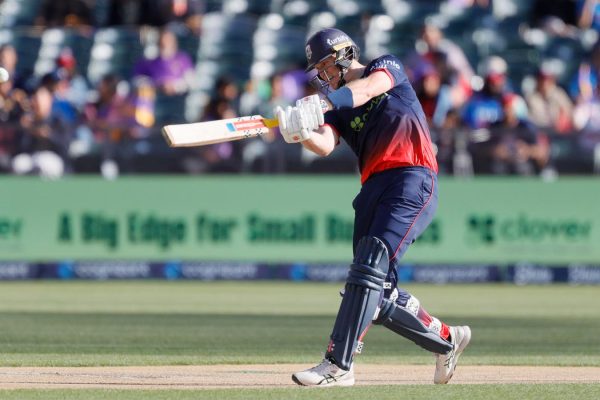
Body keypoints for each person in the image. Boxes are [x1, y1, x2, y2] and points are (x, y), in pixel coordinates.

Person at [273, 28, 471, 387]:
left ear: (344, 55)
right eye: (318, 70)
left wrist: (324, 104)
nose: (323, 75)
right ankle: (447, 341)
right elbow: (324, 144)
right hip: (372, 188)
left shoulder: (385, 67)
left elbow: (366, 89)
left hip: (411, 177)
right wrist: (300, 133)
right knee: (375, 294)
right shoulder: (338, 107)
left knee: (368, 269)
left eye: (326, 66)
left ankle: (338, 365)